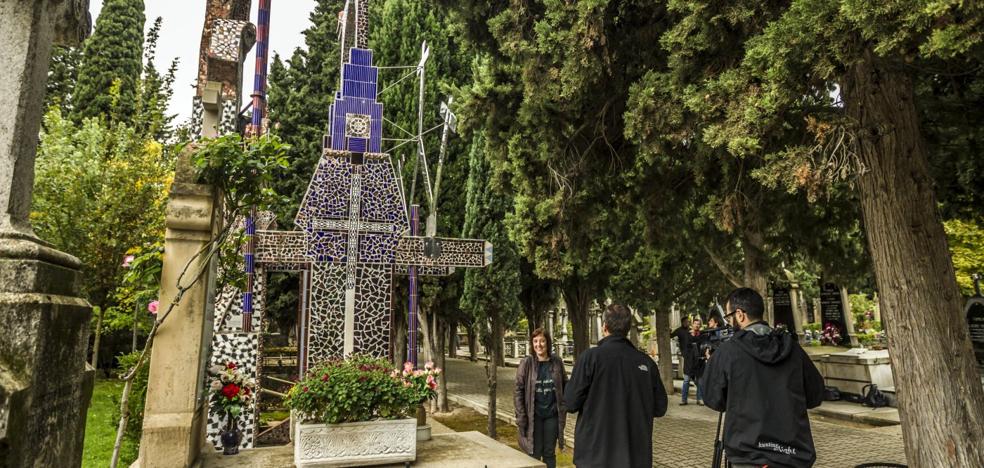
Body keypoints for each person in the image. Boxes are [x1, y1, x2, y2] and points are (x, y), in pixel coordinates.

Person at [700, 288, 825, 468]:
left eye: (729, 317)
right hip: (793, 456)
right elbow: (815, 395)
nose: (728, 322)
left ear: (740, 315)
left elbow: (713, 399)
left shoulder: (728, 352)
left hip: (749, 455)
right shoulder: (793, 349)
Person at [564, 304, 668, 468]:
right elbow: (660, 407)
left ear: (604, 327)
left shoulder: (590, 358)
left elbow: (570, 403)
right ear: (627, 329)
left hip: (595, 456)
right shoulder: (646, 363)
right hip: (634, 456)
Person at [514, 328, 567, 468]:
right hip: (533, 416)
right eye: (535, 341)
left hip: (552, 415)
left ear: (548, 343)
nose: (539, 345)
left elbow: (565, 385)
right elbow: (518, 391)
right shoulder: (527, 363)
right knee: (534, 452)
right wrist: (521, 417)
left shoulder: (557, 362)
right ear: (532, 344)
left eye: (542, 341)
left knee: (549, 452)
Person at [681, 316, 704, 405]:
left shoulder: (702, 335)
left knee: (699, 381)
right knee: (686, 381)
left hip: (699, 362)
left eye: (699, 324)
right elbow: (684, 347)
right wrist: (687, 356)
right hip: (689, 361)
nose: (697, 325)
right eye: (695, 324)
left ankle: (699, 399)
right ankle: (684, 400)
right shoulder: (687, 335)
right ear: (692, 324)